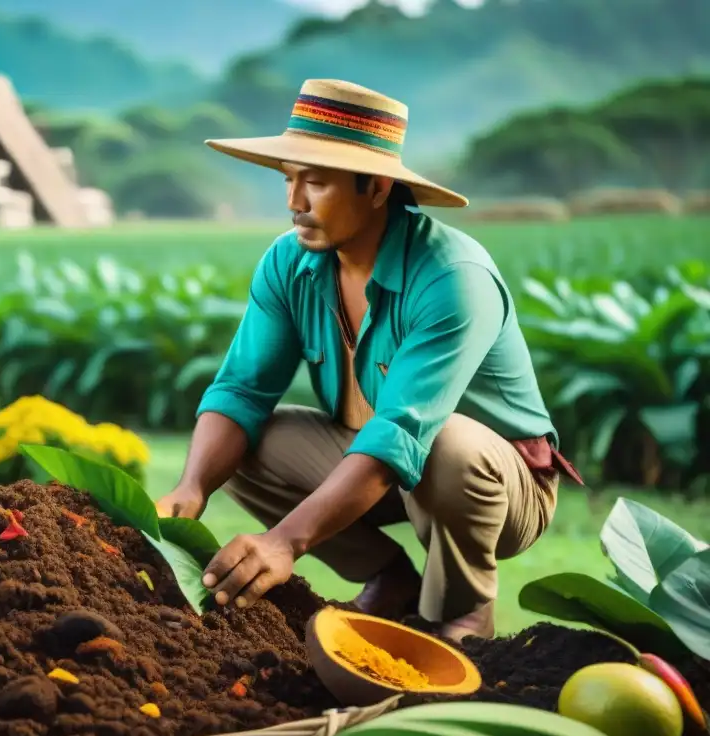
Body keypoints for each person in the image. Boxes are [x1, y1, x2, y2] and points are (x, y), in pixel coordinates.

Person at [154, 79, 583, 642]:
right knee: (247, 440)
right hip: (375, 461)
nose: (294, 203)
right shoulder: (290, 264)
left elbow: (402, 433)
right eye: (289, 180)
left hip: (494, 487)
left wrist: (285, 541)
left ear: (377, 188)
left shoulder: (453, 279)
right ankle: (388, 579)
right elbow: (240, 390)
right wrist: (192, 488)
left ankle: (462, 612)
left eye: (317, 183)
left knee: (445, 444)